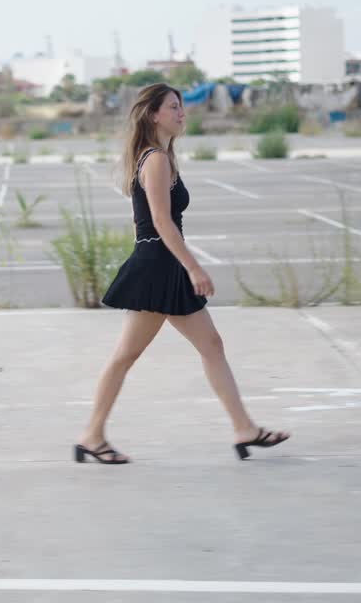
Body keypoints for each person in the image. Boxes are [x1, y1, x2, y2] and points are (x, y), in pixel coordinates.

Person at [74, 83, 291, 463]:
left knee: (211, 345)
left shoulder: (157, 157)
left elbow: (140, 220)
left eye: (181, 107)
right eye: (173, 107)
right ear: (154, 115)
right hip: (160, 266)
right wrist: (193, 267)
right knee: (126, 355)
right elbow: (159, 221)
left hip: (161, 264)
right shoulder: (154, 159)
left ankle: (244, 429)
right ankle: (92, 436)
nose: (181, 113)